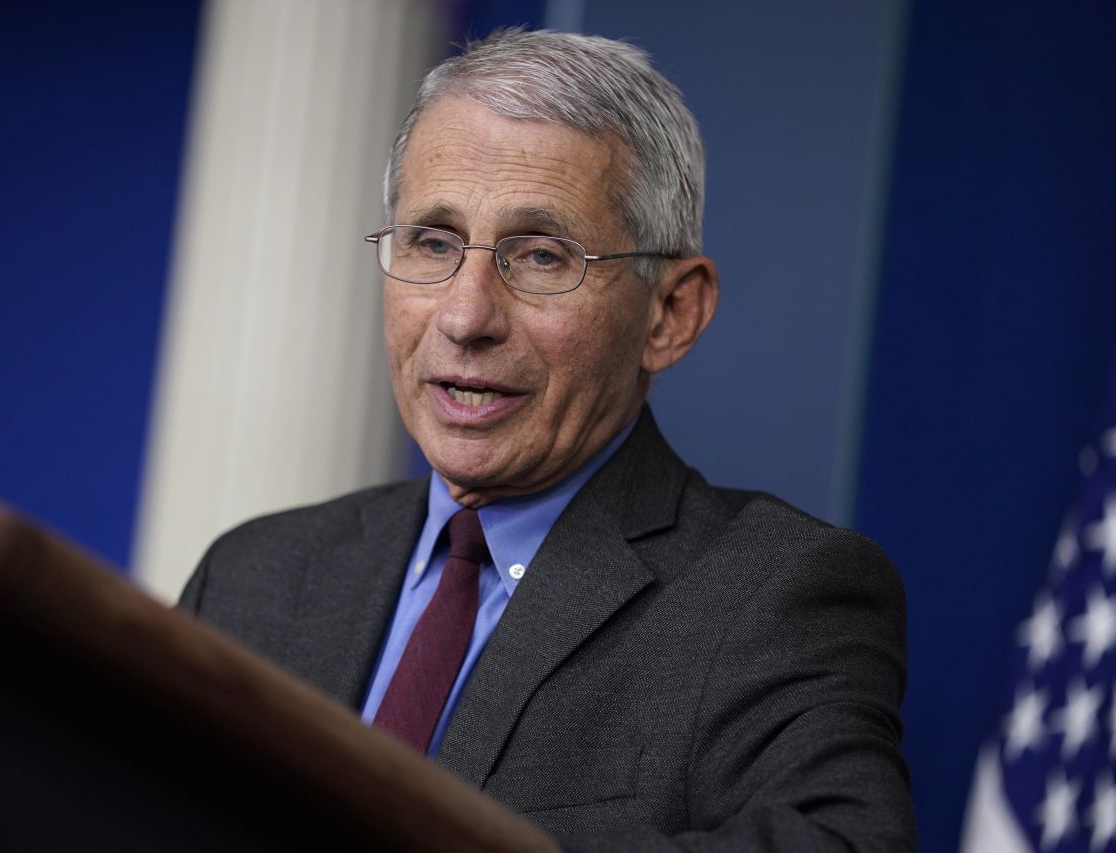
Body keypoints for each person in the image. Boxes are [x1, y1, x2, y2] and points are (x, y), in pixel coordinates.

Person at [180, 29, 914, 850]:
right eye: (433, 242)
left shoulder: (771, 594)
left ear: (671, 314)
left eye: (540, 255)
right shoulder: (252, 578)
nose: (465, 318)